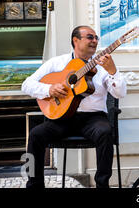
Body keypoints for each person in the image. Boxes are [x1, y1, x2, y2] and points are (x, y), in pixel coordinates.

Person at [22, 25, 127, 188]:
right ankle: (34, 185)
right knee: (36, 135)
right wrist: (49, 89)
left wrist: (113, 71)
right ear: (75, 40)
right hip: (62, 118)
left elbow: (120, 93)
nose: (95, 41)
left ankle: (102, 185)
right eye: (90, 37)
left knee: (105, 132)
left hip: (93, 118)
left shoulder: (103, 65)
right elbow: (26, 85)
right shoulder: (57, 62)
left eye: (96, 38)